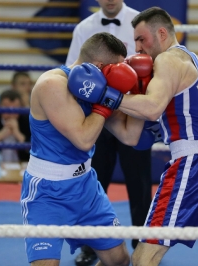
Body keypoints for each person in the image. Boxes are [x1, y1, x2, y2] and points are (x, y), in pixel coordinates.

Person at [71, 7, 198, 266]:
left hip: (193, 162)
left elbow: (152, 108)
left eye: (142, 39)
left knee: (143, 257)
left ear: (162, 32)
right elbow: (131, 137)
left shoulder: (167, 60)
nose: (138, 47)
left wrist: (106, 95)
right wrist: (99, 109)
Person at [21, 32, 148, 266]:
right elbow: (83, 139)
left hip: (86, 188)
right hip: (47, 193)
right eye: (116, 69)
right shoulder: (52, 84)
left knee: (119, 260)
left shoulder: (98, 91)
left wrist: (141, 88)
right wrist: (104, 103)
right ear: (100, 67)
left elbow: (130, 136)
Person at [66, 1, 153, 265]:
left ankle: (143, 247)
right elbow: (72, 69)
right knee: (94, 183)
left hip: (132, 114)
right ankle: (91, 247)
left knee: (139, 184)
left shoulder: (140, 22)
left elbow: (155, 64)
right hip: (96, 117)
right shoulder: (84, 28)